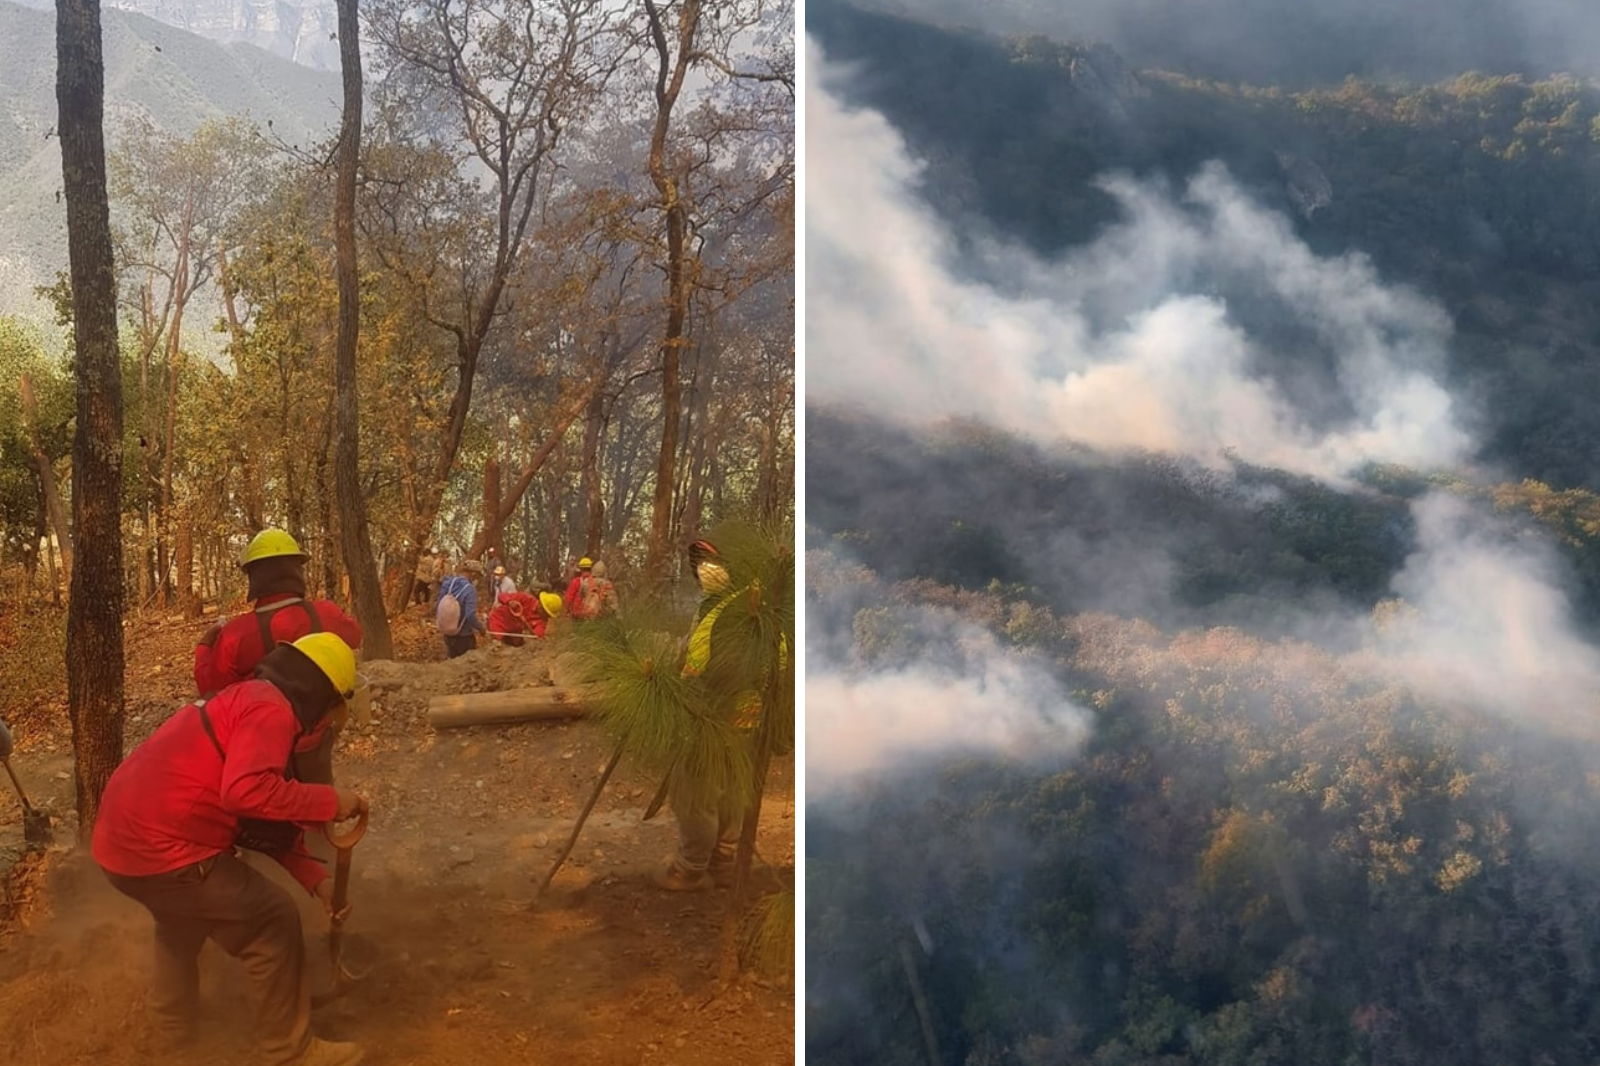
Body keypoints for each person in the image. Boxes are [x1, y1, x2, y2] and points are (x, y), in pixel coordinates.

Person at [92, 634, 371, 1066]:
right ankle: (289, 1051)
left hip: (119, 842)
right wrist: (330, 802)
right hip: (164, 847)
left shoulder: (245, 698)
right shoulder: (271, 712)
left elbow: (261, 822)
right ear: (320, 693)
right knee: (272, 919)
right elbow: (246, 793)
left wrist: (318, 882)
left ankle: (173, 1034)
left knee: (180, 920)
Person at [195, 529, 363, 792]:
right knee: (317, 800)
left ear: (254, 576)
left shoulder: (235, 635)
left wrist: (204, 647)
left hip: (260, 741)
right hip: (315, 737)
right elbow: (354, 635)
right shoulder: (325, 614)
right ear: (296, 571)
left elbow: (212, 686)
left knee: (266, 808)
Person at [656, 536, 760, 892]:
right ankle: (723, 860)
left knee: (695, 789)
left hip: (715, 712)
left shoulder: (735, 612)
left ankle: (692, 866)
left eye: (712, 562)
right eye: (700, 563)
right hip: (741, 715)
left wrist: (690, 692)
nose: (705, 569)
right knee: (732, 786)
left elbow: (721, 668)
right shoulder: (722, 607)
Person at [435, 559, 485, 658]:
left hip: (448, 633)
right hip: (464, 636)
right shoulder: (470, 590)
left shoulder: (448, 583)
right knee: (467, 667)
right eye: (477, 576)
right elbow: (470, 615)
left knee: (452, 664)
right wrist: (480, 628)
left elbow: (438, 605)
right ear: (473, 574)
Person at [487, 590, 562, 646]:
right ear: (541, 606)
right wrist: (509, 601)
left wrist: (526, 623)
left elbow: (537, 636)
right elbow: (501, 595)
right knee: (497, 645)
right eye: (547, 614)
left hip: (513, 632)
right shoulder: (525, 598)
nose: (547, 617)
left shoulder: (542, 621)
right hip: (498, 622)